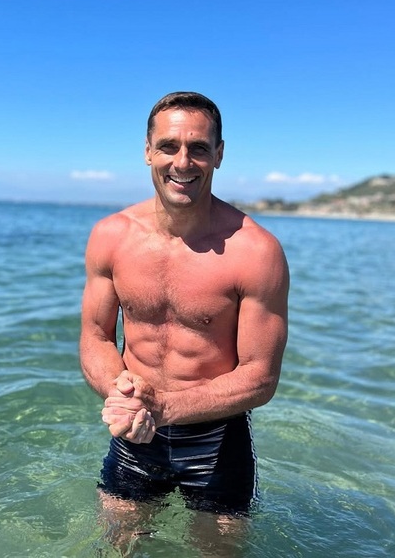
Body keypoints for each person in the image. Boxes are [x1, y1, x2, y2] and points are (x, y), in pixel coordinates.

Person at [79, 91, 289, 523]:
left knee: (217, 551)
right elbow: (96, 337)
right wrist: (120, 395)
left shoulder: (255, 251)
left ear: (219, 155)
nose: (182, 162)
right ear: (147, 152)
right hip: (135, 433)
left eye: (198, 148)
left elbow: (261, 377)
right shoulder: (111, 236)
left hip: (217, 440)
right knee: (117, 547)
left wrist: (163, 408)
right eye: (168, 146)